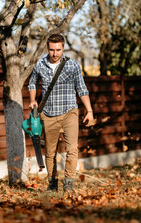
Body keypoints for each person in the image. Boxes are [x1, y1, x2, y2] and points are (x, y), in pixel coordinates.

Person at [28, 34, 94, 193]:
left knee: (72, 149)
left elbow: (82, 89)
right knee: (50, 152)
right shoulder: (40, 65)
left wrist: (89, 110)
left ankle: (69, 184)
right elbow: (32, 82)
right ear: (48, 48)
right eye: (52, 49)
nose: (55, 53)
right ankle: (52, 183)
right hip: (48, 114)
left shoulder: (73, 65)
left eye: (58, 50)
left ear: (63, 48)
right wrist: (32, 100)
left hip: (69, 112)